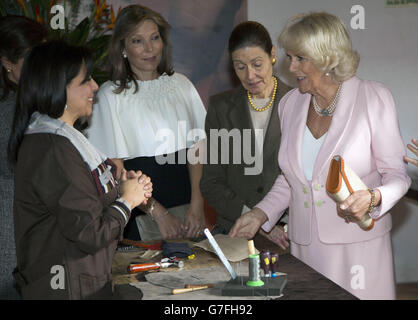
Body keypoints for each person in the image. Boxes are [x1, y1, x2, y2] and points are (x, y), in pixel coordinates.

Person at [229, 12, 411, 300]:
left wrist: (373, 197)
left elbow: (397, 175)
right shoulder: (290, 104)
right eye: (290, 57)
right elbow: (292, 178)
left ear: (327, 59)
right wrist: (260, 214)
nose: (291, 67)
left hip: (358, 247)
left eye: (301, 58)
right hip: (305, 248)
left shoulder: (372, 98)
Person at [7, 40, 152, 299]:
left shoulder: (64, 139)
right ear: (58, 87)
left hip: (83, 280)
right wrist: (127, 201)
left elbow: (83, 201)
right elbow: (90, 232)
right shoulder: (52, 148)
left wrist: (125, 188)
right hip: (67, 288)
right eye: (86, 80)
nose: (95, 86)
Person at [86, 5, 207, 241]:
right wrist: (157, 213)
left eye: (154, 38)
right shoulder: (109, 97)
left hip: (188, 211)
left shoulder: (182, 85)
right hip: (139, 216)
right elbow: (114, 172)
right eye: (138, 41)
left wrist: (197, 202)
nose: (149, 48)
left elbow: (197, 150)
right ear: (122, 48)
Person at [200, 21, 291, 245]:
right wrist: (252, 218)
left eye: (257, 64)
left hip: (288, 233)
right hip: (236, 230)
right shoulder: (220, 108)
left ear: (272, 55)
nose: (250, 75)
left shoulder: (297, 102)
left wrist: (268, 218)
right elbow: (211, 183)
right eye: (240, 66)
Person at [0, 15, 47, 300]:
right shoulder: (10, 107)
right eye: (32, 57)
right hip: (11, 231)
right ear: (6, 61)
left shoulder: (29, 98)